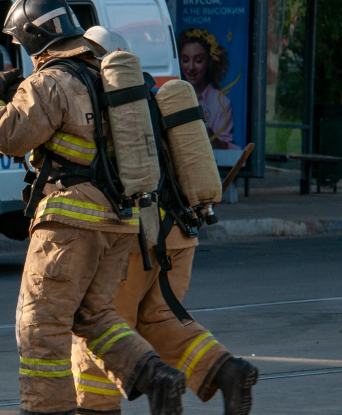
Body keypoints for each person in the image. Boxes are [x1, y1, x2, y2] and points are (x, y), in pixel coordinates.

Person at [0, 0, 187, 415]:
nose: (22, 55)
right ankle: (155, 375)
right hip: (119, 222)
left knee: (41, 329)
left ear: (35, 38)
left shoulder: (52, 81)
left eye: (20, 44)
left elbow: (10, 135)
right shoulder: (103, 75)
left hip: (70, 223)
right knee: (95, 317)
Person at [72, 27, 259, 415]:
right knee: (158, 319)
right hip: (179, 232)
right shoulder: (156, 101)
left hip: (131, 240)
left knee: (100, 325)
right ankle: (226, 370)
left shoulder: (101, 107)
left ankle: (103, 406)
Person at [177, 29, 239, 150]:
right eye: (185, 60)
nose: (191, 67)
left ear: (209, 62)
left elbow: (227, 150)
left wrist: (206, 132)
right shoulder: (173, 96)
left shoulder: (221, 102)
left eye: (198, 61)